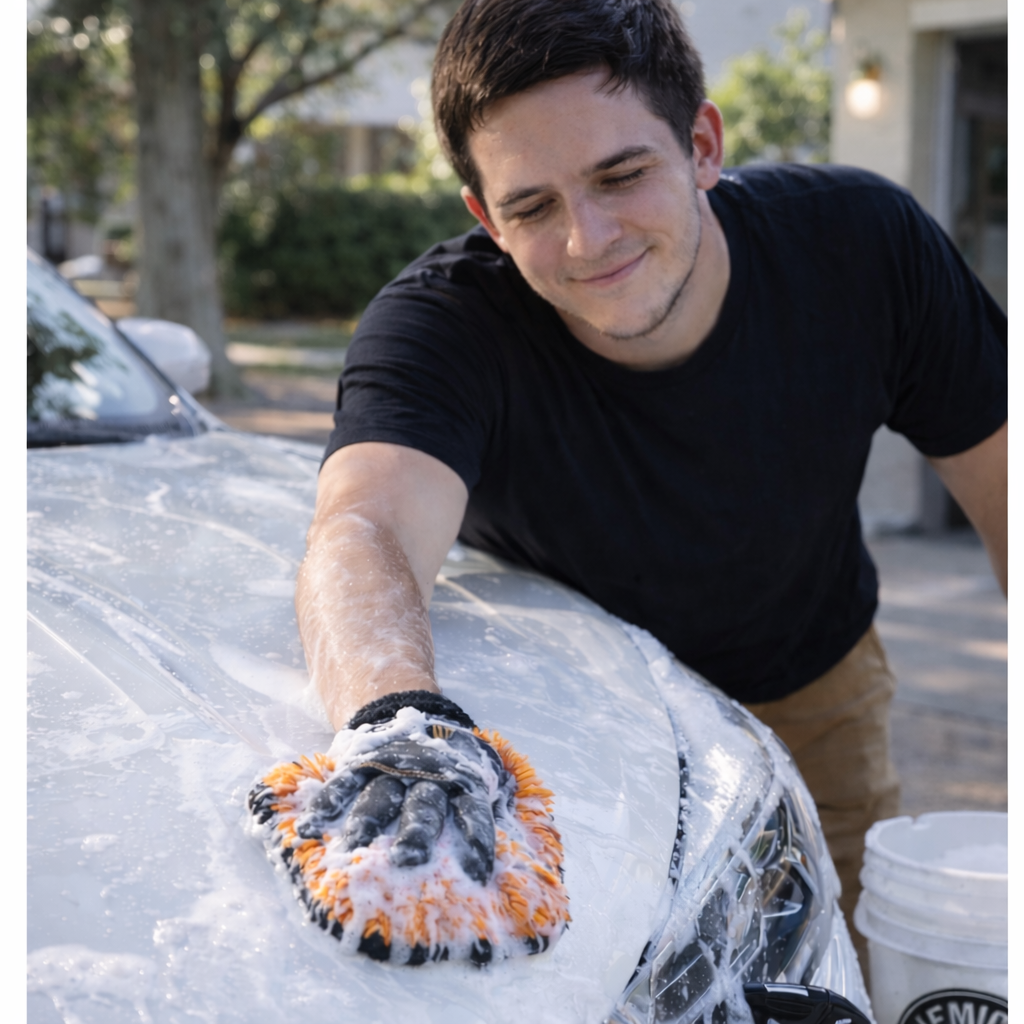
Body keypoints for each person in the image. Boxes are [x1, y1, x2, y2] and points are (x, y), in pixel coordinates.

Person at [295, 0, 1007, 968]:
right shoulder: (436, 330)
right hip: (580, 727)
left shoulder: (863, 248)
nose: (588, 239)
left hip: (815, 691)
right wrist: (394, 722)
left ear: (702, 145)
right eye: (532, 207)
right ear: (482, 217)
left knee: (854, 964)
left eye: (620, 175)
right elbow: (363, 532)